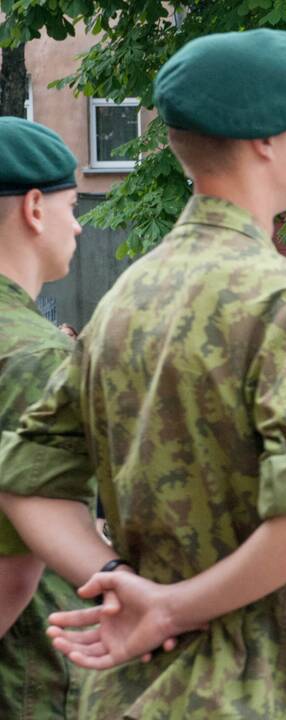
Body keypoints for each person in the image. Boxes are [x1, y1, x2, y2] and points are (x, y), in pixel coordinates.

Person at [0, 30, 286, 717]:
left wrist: (116, 582)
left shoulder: (123, 300)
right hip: (251, 690)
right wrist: (169, 609)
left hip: (125, 688)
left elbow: (25, 482)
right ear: (264, 139)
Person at [0, 117, 86, 719]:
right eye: (72, 204)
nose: (78, 224)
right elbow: (14, 568)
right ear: (35, 207)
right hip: (23, 678)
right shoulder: (34, 353)